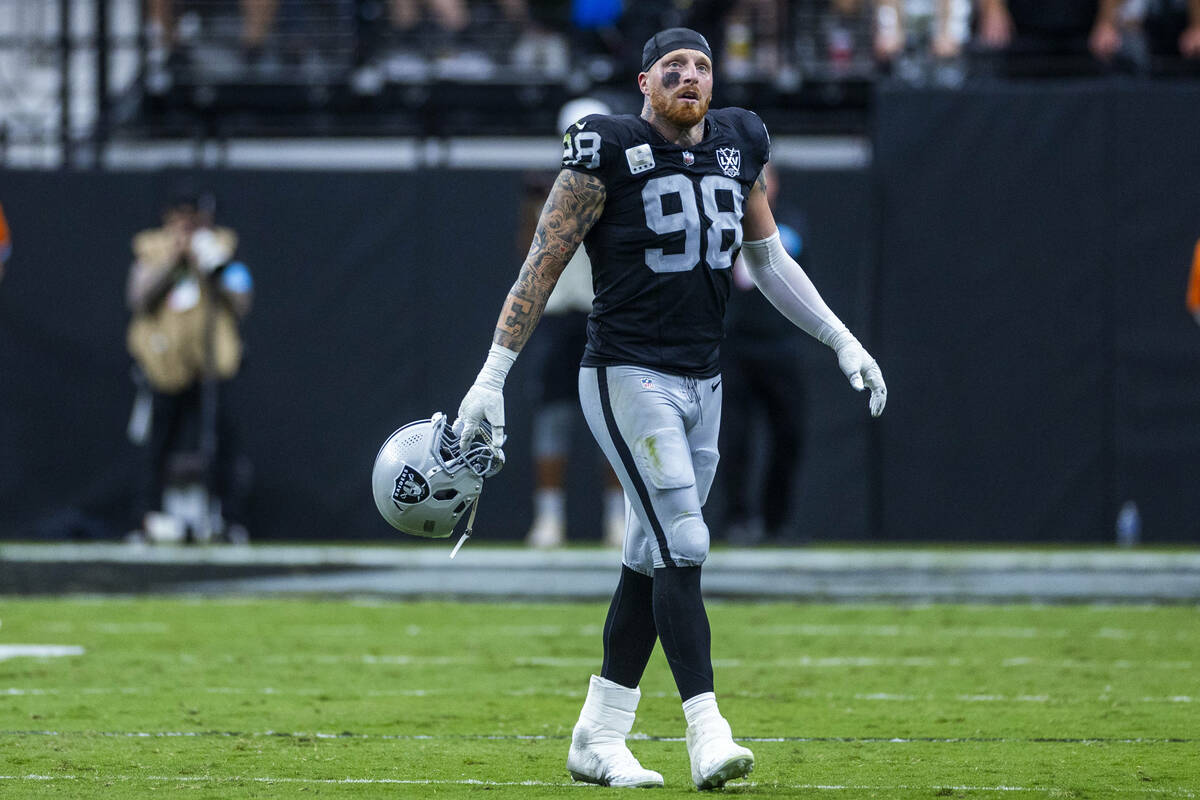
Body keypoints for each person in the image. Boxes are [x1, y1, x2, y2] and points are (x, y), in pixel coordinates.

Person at [454, 27, 886, 789]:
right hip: (627, 374)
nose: (691, 75)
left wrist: (841, 339)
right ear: (645, 85)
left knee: (650, 559)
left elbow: (767, 258)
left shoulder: (738, 142)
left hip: (703, 380)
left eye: (702, 66)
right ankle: (706, 731)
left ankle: (599, 734)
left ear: (714, 86)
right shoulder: (604, 148)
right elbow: (543, 262)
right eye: (673, 67)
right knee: (685, 541)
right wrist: (490, 376)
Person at [523, 98, 627, 550]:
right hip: (558, 317)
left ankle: (618, 519)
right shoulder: (545, 191)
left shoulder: (621, 184)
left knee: (616, 421)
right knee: (555, 418)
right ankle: (549, 519)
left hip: (601, 315)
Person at [125, 188, 254, 543]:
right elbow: (138, 298)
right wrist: (172, 262)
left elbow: (242, 300)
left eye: (193, 220)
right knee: (158, 446)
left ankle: (230, 520)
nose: (187, 227)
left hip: (212, 365)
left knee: (224, 443)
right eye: (180, 219)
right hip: (167, 365)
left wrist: (212, 267)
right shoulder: (151, 248)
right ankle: (145, 518)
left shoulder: (222, 247)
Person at [719, 162, 809, 545]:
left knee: (789, 434)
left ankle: (778, 520)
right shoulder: (721, 217)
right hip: (734, 347)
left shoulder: (788, 221)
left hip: (779, 345)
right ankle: (737, 519)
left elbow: (771, 260)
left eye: (764, 178)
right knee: (734, 438)